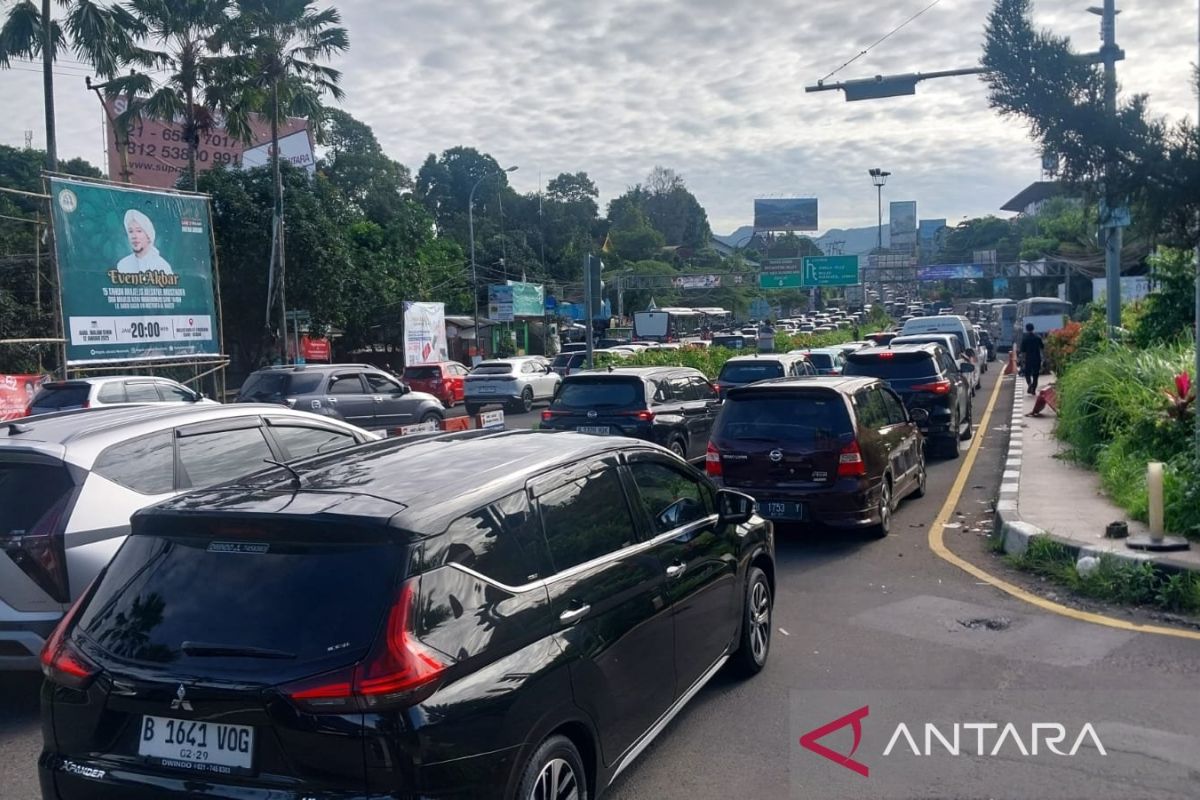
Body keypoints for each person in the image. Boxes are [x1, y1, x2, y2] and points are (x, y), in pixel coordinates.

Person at [116, 209, 173, 274]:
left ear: (149, 236)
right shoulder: (123, 265)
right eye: (130, 231)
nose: (134, 236)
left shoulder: (162, 266)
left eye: (139, 231)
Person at [1018, 322, 1044, 395]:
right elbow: (1042, 348)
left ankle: (1029, 384)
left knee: (1027, 374)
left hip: (1028, 359)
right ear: (1033, 328)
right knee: (1036, 375)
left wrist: (1022, 360)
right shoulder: (1038, 337)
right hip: (1037, 358)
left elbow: (1023, 351)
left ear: (1026, 329)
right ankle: (1033, 390)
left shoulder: (1025, 339)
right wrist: (1043, 358)